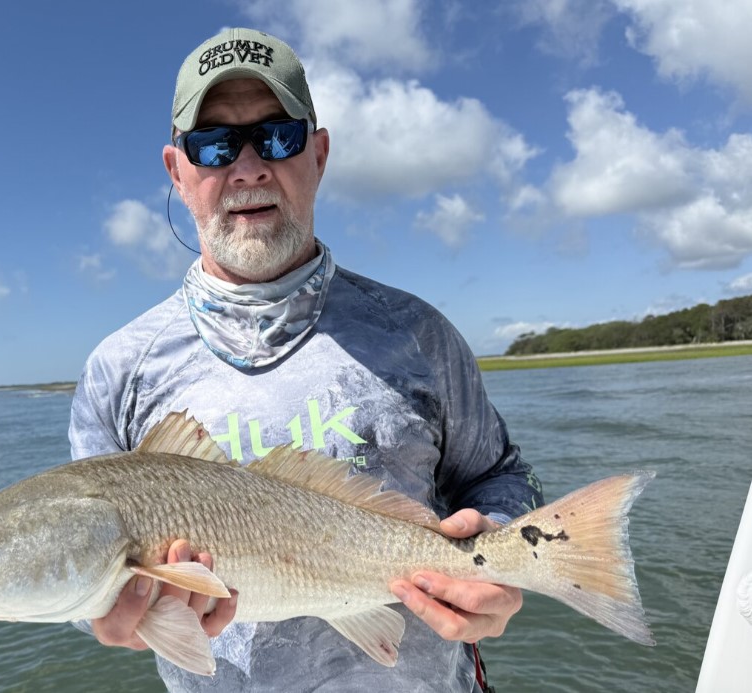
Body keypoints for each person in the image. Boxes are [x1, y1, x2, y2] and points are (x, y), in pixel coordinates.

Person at [69, 27, 543, 692]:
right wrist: (103, 614)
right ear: (178, 172)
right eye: (214, 144)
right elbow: (81, 573)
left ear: (317, 154)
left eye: (277, 135)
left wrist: (498, 541)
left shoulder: (418, 334)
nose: (249, 166)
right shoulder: (119, 369)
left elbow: (499, 476)